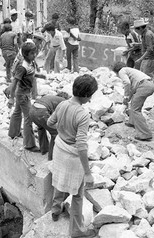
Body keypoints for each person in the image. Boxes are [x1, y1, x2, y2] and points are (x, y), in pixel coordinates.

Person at [47, 74, 98, 238]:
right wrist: (88, 173)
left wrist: (62, 131)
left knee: (59, 180)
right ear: (85, 95)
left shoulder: (62, 104)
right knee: (77, 194)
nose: (90, 100)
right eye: (90, 96)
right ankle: (76, 230)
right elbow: (82, 146)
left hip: (60, 149)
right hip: (72, 155)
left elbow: (49, 122)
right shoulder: (83, 114)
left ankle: (55, 209)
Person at [8, 42, 46, 152]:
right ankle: (29, 144)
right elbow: (15, 81)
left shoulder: (30, 63)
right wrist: (11, 98)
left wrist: (40, 76)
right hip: (22, 94)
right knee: (29, 117)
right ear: (25, 54)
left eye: (35, 53)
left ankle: (13, 132)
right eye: (32, 53)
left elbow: (30, 74)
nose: (34, 55)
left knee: (17, 111)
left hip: (24, 92)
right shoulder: (23, 67)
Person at [112, 62, 154, 141]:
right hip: (149, 84)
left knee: (136, 109)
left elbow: (127, 83)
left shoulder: (122, 71)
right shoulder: (130, 71)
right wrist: (128, 99)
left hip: (144, 85)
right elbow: (132, 89)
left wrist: (125, 97)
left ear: (116, 71)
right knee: (134, 103)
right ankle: (132, 121)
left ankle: (145, 134)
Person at [29, 92, 70, 159]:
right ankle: (52, 157)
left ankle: (44, 150)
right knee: (55, 133)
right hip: (41, 112)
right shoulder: (63, 101)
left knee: (41, 128)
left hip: (32, 111)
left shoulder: (50, 98)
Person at [133, 19, 154, 95]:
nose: (136, 31)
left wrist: (140, 59)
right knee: (145, 75)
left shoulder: (147, 35)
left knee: (147, 76)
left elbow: (150, 49)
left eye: (136, 29)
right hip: (147, 58)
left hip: (150, 58)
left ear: (140, 28)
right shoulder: (145, 34)